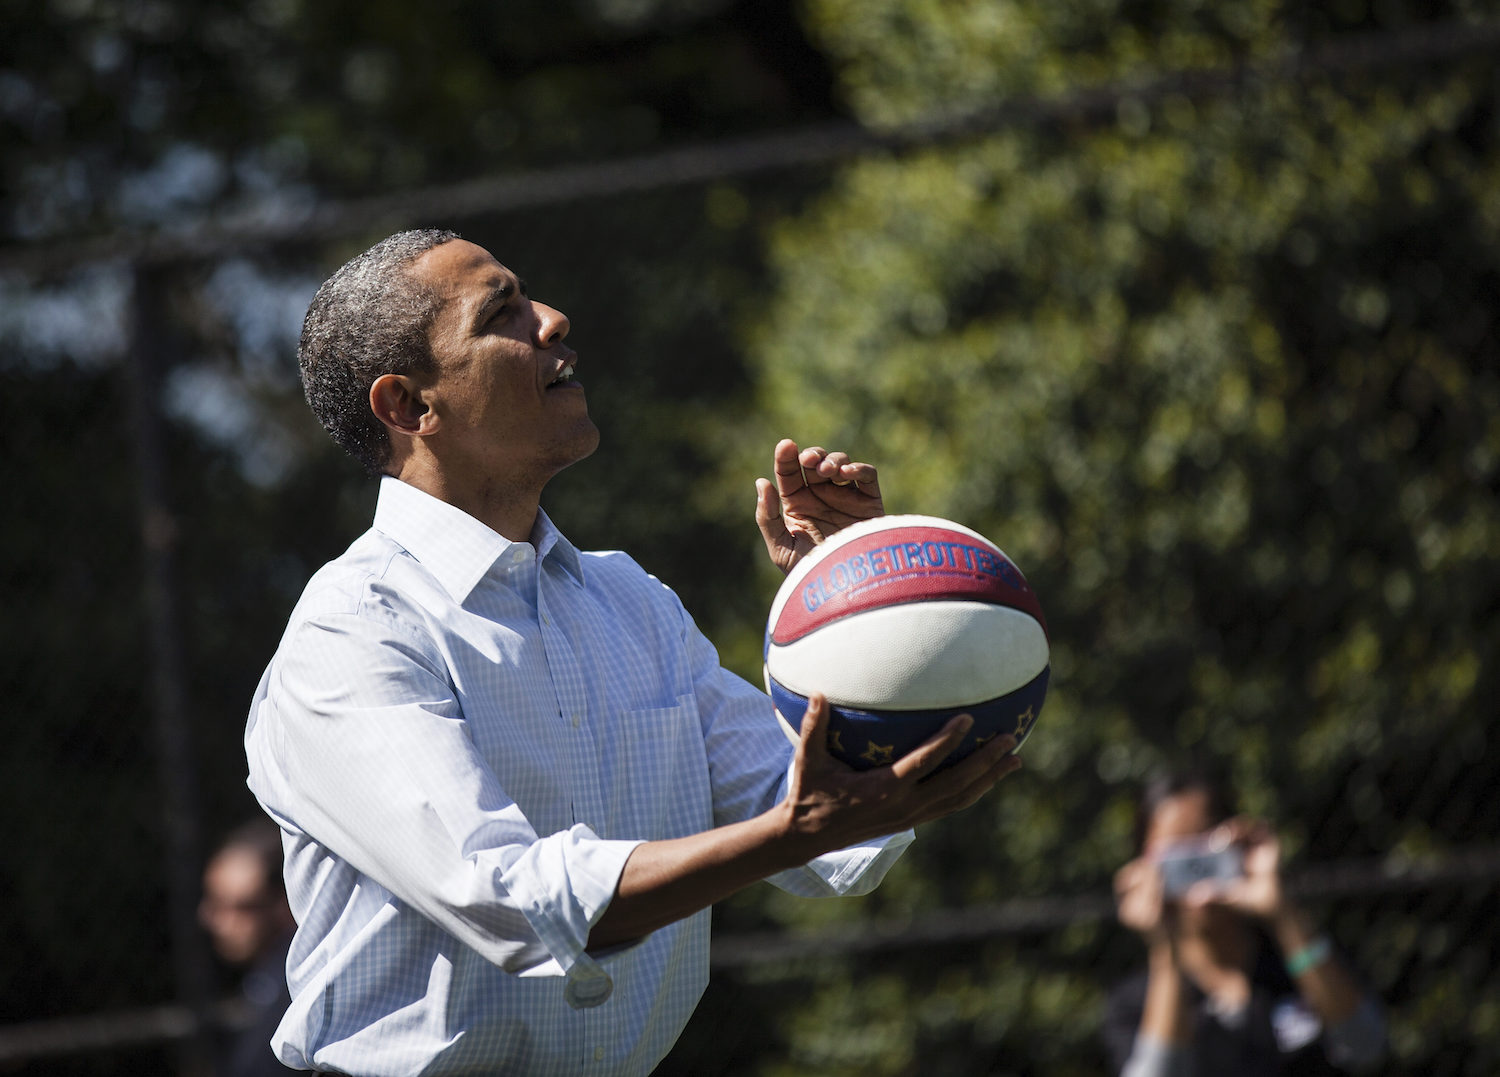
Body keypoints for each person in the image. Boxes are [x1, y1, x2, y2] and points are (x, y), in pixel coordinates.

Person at [244, 229, 1023, 1075]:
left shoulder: (631, 602)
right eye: (501, 311)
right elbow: (511, 899)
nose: (551, 319)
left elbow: (830, 821)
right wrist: (791, 833)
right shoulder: (351, 634)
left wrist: (857, 613)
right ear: (409, 406)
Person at [1103, 768, 1387, 1076]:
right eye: (1177, 862)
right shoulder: (1135, 1002)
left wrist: (1283, 913)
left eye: (1206, 853)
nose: (1198, 883)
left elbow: (1366, 1047)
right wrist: (1165, 951)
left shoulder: (1300, 962)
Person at [199, 819, 297, 1076]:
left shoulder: (293, 988)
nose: (212, 919)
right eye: (213, 901)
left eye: (240, 907)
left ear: (284, 901)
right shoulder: (264, 982)